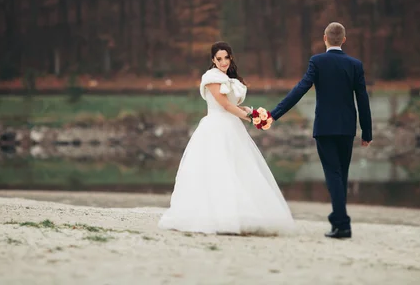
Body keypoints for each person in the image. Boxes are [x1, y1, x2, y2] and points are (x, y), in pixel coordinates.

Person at [158, 41, 295, 235]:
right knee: (217, 170)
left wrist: (249, 110)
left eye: (226, 58)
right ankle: (216, 216)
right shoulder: (212, 78)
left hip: (233, 127)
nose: (223, 62)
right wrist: (250, 118)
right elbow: (224, 105)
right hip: (216, 127)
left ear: (231, 58)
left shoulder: (230, 79)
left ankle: (241, 213)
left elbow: (234, 105)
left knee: (239, 168)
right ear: (213, 60)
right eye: (219, 58)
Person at [269, 22, 373, 239]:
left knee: (333, 174)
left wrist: (274, 114)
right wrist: (367, 131)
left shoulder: (318, 61)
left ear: (324, 37)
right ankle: (339, 222)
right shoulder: (355, 64)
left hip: (325, 127)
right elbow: (362, 99)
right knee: (340, 174)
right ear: (344, 40)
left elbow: (300, 90)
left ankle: (341, 224)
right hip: (346, 128)